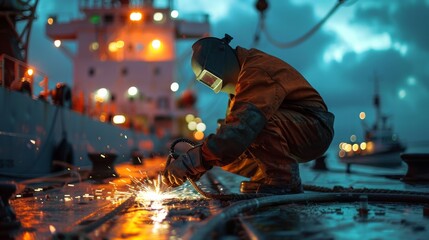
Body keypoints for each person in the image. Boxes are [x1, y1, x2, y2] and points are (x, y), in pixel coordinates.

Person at [163, 34, 334, 194]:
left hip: (314, 128)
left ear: (222, 60)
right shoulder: (240, 86)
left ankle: (283, 178)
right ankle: (267, 175)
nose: (215, 85)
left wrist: (193, 161)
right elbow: (230, 136)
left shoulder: (256, 70)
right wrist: (201, 162)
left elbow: (243, 126)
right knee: (226, 151)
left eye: (212, 78)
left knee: (253, 122)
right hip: (295, 128)